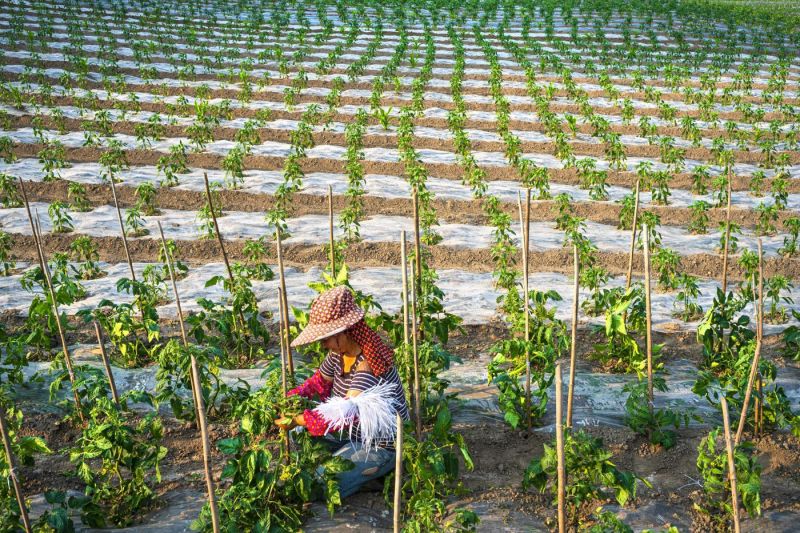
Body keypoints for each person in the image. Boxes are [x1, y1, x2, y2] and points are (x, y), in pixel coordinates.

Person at [274, 285, 409, 498]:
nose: (323, 344)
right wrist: (288, 400)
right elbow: (316, 383)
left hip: (379, 445)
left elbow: (344, 413)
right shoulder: (339, 355)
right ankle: (360, 473)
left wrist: (298, 419)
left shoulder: (368, 365)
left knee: (321, 483)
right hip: (350, 437)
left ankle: (378, 473)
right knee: (301, 436)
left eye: (326, 338)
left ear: (345, 331)